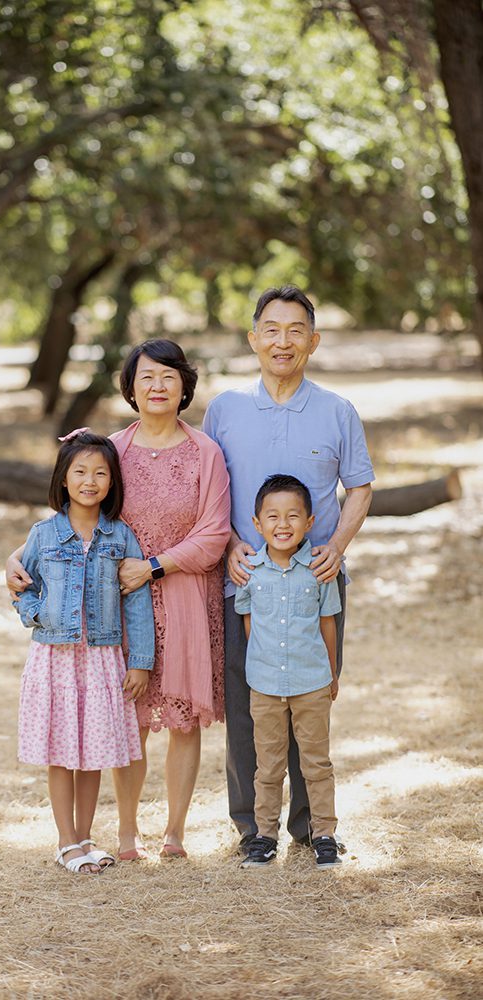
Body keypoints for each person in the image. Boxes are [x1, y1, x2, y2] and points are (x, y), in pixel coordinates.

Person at [7, 339, 231, 860]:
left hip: (180, 594)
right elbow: (74, 519)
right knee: (125, 716)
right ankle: (126, 832)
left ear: (184, 387)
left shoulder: (206, 453)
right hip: (111, 606)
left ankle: (174, 831)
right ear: (130, 387)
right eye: (146, 377)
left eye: (168, 376)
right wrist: (17, 559)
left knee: (181, 718)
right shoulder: (111, 450)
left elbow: (215, 534)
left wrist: (152, 565)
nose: (157, 386)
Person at [202, 285, 374, 853]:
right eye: (271, 329)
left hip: (316, 585)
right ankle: (254, 827)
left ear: (314, 341)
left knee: (311, 698)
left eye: (296, 330)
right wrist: (227, 544)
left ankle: (311, 826)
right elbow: (208, 490)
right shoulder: (224, 408)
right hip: (245, 580)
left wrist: (339, 546)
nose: (283, 341)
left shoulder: (337, 410)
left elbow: (360, 486)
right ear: (253, 339)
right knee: (250, 706)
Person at [11, 430, 155, 875]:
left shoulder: (120, 537)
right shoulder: (43, 534)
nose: (90, 480)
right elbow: (21, 586)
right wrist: (38, 615)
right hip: (55, 656)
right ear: (64, 478)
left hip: (101, 659)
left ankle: (88, 837)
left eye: (100, 473)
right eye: (80, 471)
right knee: (60, 750)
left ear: (112, 482)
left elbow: (137, 601)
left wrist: (141, 662)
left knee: (92, 750)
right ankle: (65, 841)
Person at [235, 474, 342, 870]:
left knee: (316, 762)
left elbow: (327, 623)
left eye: (293, 516)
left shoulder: (318, 570)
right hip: (264, 684)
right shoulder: (251, 571)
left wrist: (331, 674)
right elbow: (249, 624)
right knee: (269, 765)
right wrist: (258, 667)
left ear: (309, 522)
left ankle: (325, 834)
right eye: (273, 516)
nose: (283, 524)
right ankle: (264, 835)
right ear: (257, 522)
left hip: (311, 681)